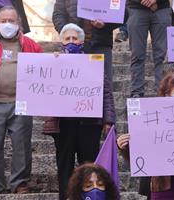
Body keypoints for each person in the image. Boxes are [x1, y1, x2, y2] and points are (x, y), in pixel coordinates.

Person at [44, 23, 116, 200]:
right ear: (61, 42)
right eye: (67, 38)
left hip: (89, 124)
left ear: (82, 42)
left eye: (74, 38)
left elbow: (106, 92)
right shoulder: (55, 62)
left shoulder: (94, 64)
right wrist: (53, 62)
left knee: (90, 167)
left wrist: (108, 120)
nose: (71, 41)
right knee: (64, 167)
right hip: (64, 124)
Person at [0, 6, 42, 194]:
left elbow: (44, 70)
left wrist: (56, 59)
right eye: (3, 20)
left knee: (22, 144)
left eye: (11, 21)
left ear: (18, 23)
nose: (7, 24)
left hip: (21, 102)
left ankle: (19, 182)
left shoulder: (31, 45)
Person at [52, 0, 120, 83]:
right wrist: (68, 33)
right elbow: (58, 14)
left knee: (103, 84)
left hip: (101, 44)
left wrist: (106, 24)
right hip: (74, 45)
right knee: (73, 83)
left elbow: (122, 13)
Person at [127, 0, 172, 97]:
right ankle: (137, 92)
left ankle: (163, 91)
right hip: (136, 8)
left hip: (161, 8)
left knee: (162, 56)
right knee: (137, 54)